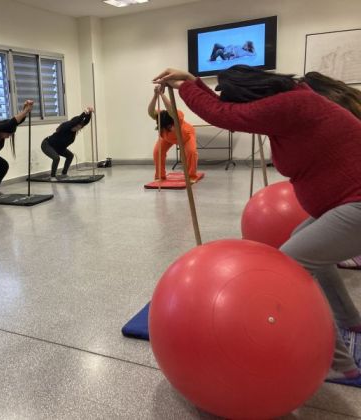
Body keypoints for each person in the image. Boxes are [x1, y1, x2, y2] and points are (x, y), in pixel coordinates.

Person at [153, 64, 361, 380]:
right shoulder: (296, 101)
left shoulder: (292, 105)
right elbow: (227, 109)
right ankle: (350, 319)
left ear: (252, 94)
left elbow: (224, 114)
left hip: (356, 206)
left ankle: (339, 364)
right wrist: (193, 82)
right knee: (306, 245)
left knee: (290, 264)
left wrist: (186, 86)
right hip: (344, 204)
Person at [147, 85, 198, 181]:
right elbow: (150, 112)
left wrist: (162, 94)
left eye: (170, 126)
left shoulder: (177, 115)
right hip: (167, 138)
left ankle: (191, 176)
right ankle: (160, 176)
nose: (169, 127)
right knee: (157, 152)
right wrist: (155, 95)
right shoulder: (161, 116)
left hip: (186, 136)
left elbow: (171, 108)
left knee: (191, 152)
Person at [41, 107, 93, 180]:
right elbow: (75, 121)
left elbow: (85, 122)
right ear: (73, 124)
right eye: (77, 127)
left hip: (59, 148)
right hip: (47, 144)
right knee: (56, 158)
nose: (78, 129)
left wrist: (89, 113)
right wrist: (84, 113)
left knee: (70, 156)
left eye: (79, 128)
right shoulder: (66, 127)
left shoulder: (73, 133)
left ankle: (64, 174)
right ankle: (52, 176)